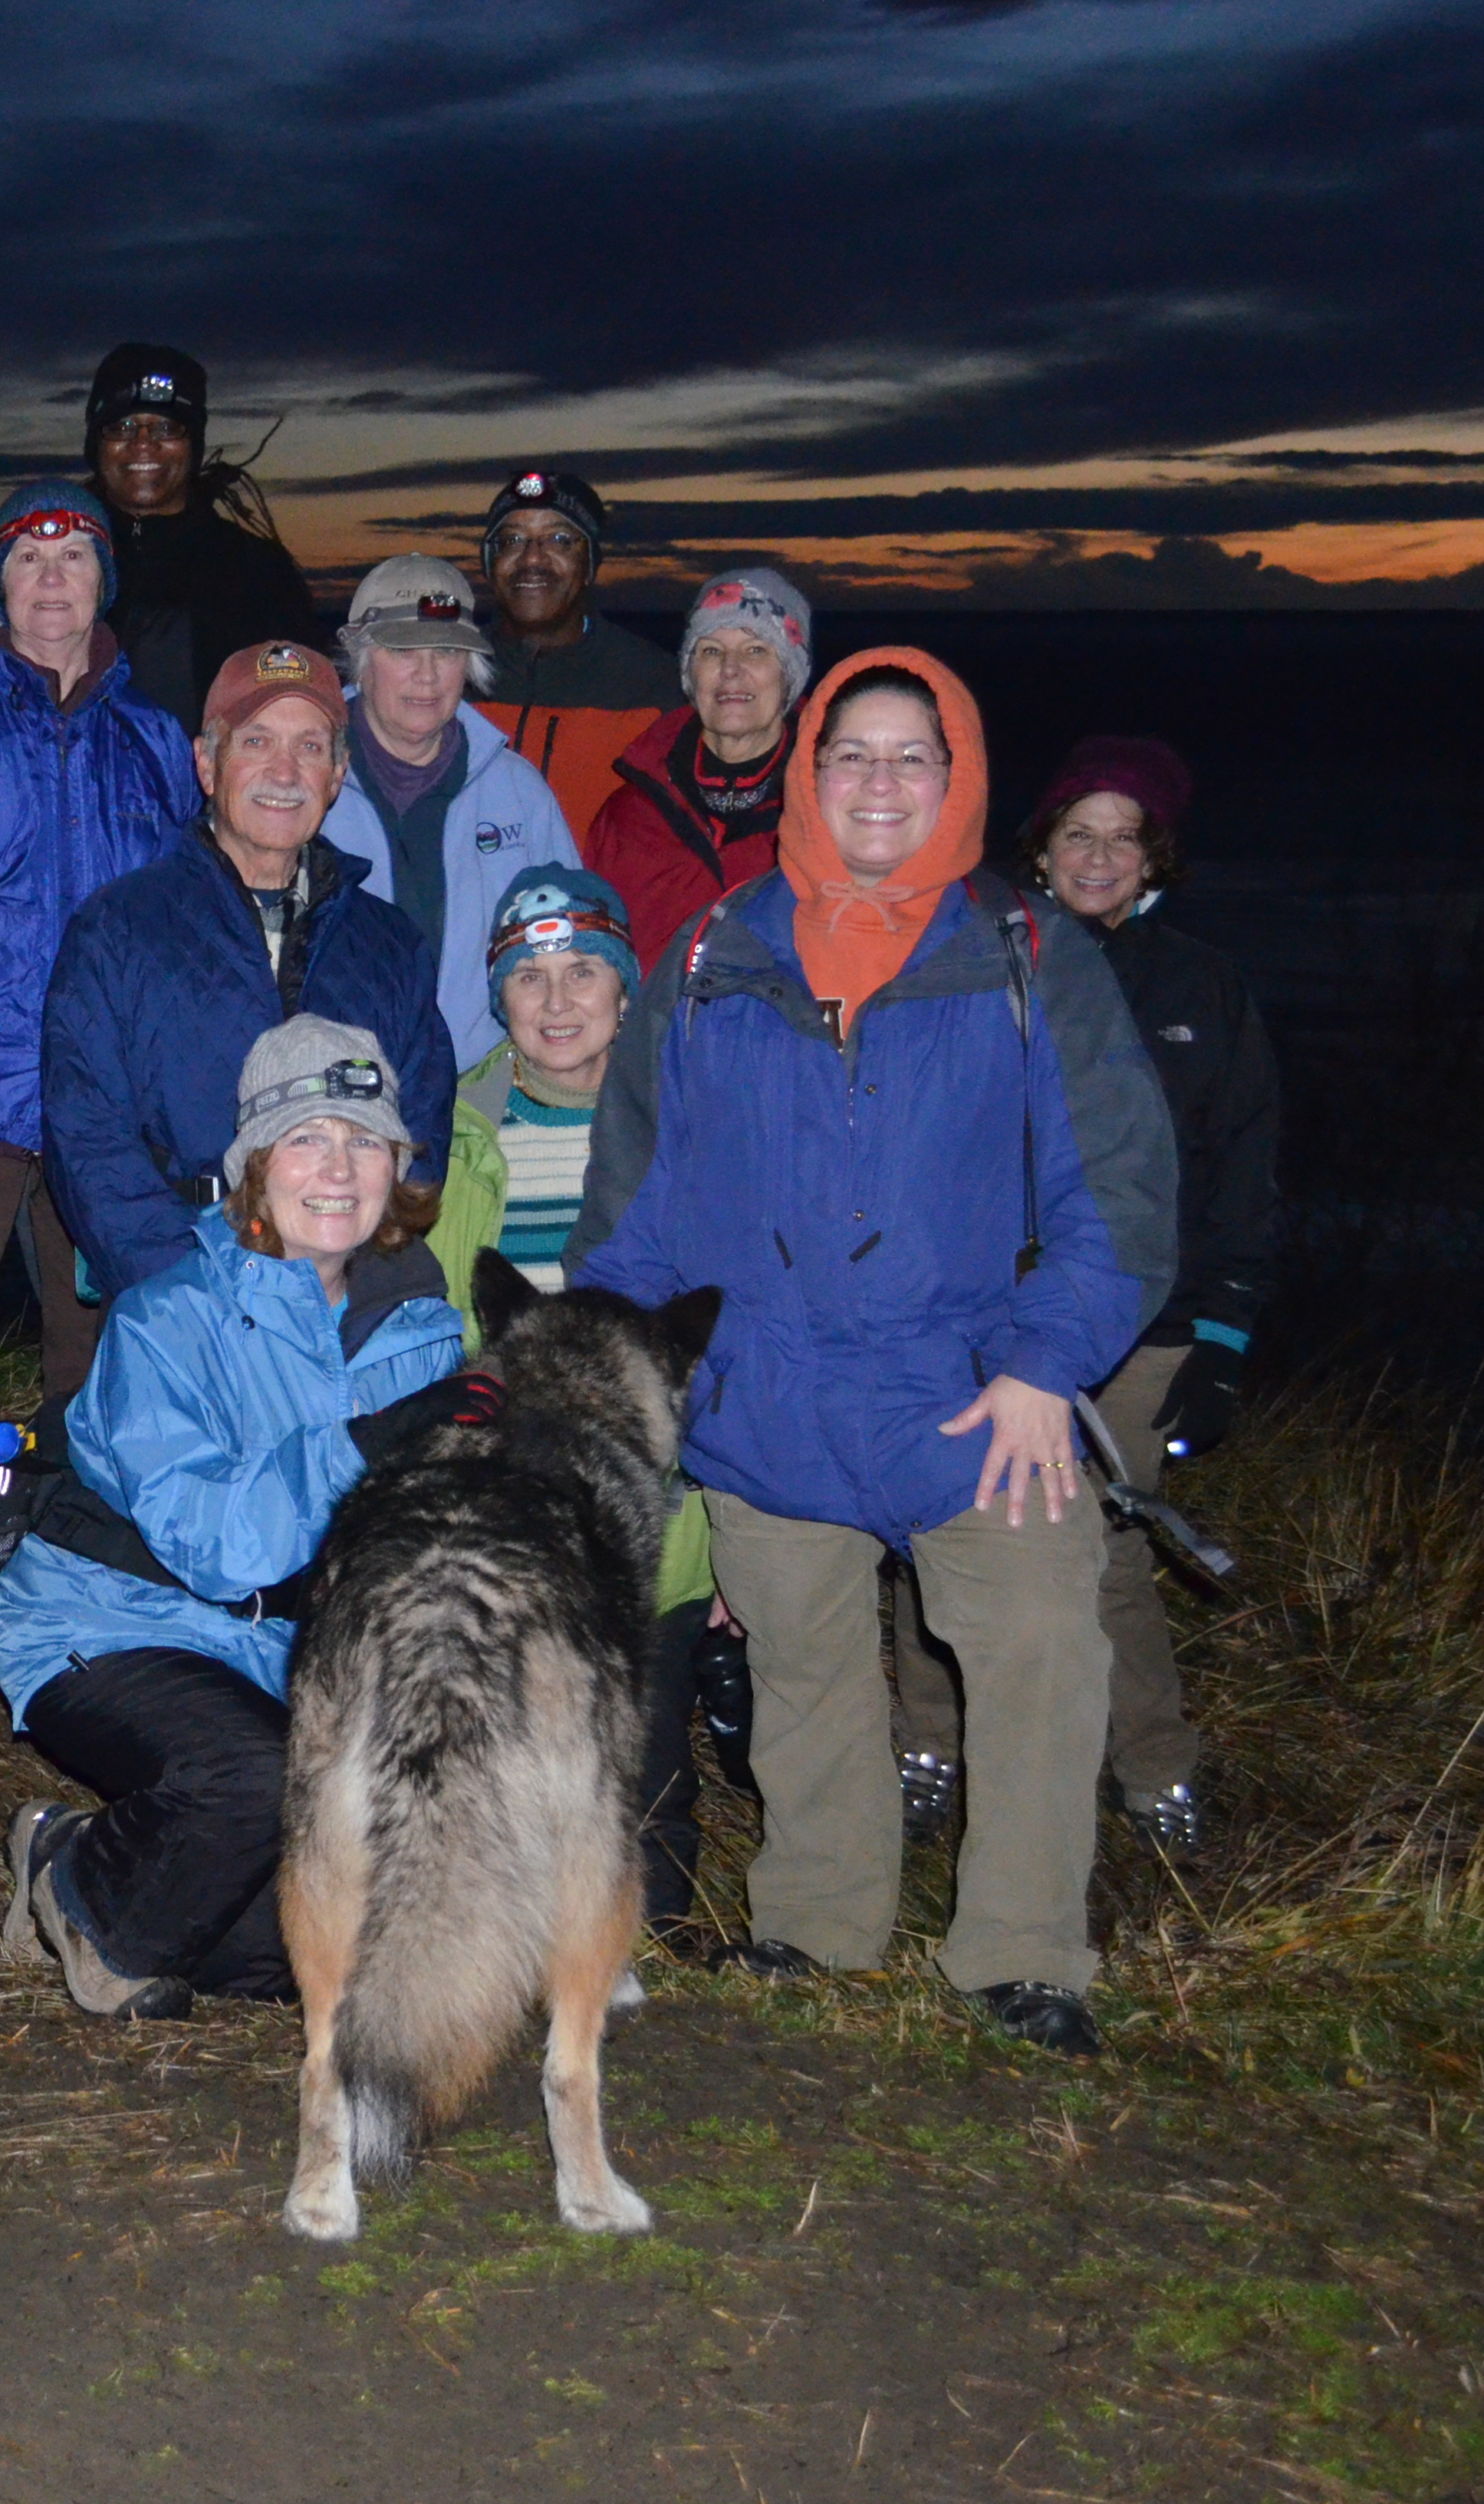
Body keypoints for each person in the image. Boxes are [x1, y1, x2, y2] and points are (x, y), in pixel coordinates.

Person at [568, 651, 1178, 2057]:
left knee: (1038, 1648)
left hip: (973, 1395)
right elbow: (636, 1208)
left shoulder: (1027, 953)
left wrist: (1045, 1363)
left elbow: (1120, 1194)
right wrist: (632, 1386)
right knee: (802, 1667)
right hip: (767, 1394)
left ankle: (1021, 1951)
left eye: (914, 755)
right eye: (852, 752)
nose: (880, 781)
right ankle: (819, 1921)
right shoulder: (710, 956)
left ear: (957, 776)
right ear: (809, 768)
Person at [0, 1018, 476, 2019]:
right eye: (306, 1138)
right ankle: (76, 1875)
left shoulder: (424, 1337)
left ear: (396, 1168)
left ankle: (142, 1877)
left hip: (287, 1659)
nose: (337, 1169)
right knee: (256, 1774)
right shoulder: (164, 1321)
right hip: (113, 1626)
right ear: (255, 1165)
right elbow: (219, 1548)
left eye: (364, 1140)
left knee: (323, 1958)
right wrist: (365, 1443)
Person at [893, 736, 1275, 1857]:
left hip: (1143, 1328)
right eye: (1078, 834)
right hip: (979, 1315)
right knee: (941, 1525)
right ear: (1042, 847)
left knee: (1106, 1552)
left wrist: (1224, 1337)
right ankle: (928, 1750)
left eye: (1124, 837)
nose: (1099, 857)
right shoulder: (978, 956)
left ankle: (1155, 1773)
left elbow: (1244, 1170)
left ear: (1155, 856)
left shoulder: (1201, 987)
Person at [0, 479, 195, 1628]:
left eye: (75, 559)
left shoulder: (156, 741)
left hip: (105, 1104)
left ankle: (84, 1587)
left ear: (105, 580)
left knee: (100, 1357)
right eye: (26, 560)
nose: (51, 581)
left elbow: (181, 924)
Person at [420, 866, 746, 1942]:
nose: (556, 1002)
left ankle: (653, 1945)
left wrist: (735, 1529)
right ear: (498, 998)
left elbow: (730, 1334)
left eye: (583, 974)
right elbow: (429, 1330)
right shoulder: (453, 1128)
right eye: (529, 979)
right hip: (506, 1517)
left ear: (624, 990)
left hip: (662, 1514)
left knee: (642, 1756)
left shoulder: (691, 1123)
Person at [41, 639, 456, 1306]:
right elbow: (88, 1141)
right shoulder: (118, 929)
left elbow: (421, 1130)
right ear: (207, 764)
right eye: (256, 741)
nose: (284, 772)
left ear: (337, 774)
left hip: (343, 1292)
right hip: (182, 1286)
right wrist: (190, 1297)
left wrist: (351, 1284)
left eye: (310, 747)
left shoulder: (390, 944)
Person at [319, 555, 581, 1066]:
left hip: (485, 1084)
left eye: (446, 651)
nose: (427, 675)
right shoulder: (303, 780)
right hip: (338, 1086)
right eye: (403, 649)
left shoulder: (518, 791)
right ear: (361, 658)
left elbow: (573, 948)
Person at [580, 569, 814, 968]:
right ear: (691, 674)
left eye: (756, 650)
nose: (730, 669)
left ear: (789, 675)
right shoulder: (629, 816)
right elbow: (591, 955)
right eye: (711, 651)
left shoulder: (830, 808)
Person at [81, 343, 317, 732]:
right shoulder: (47, 564)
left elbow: (302, 714)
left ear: (194, 445)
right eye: (121, 427)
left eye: (166, 428)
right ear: (96, 444)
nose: (143, 443)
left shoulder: (258, 573)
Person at [471, 470, 679, 846]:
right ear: (490, 563)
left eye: (559, 540)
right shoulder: (446, 676)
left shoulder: (657, 686)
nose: (532, 558)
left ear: (589, 565)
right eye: (512, 540)